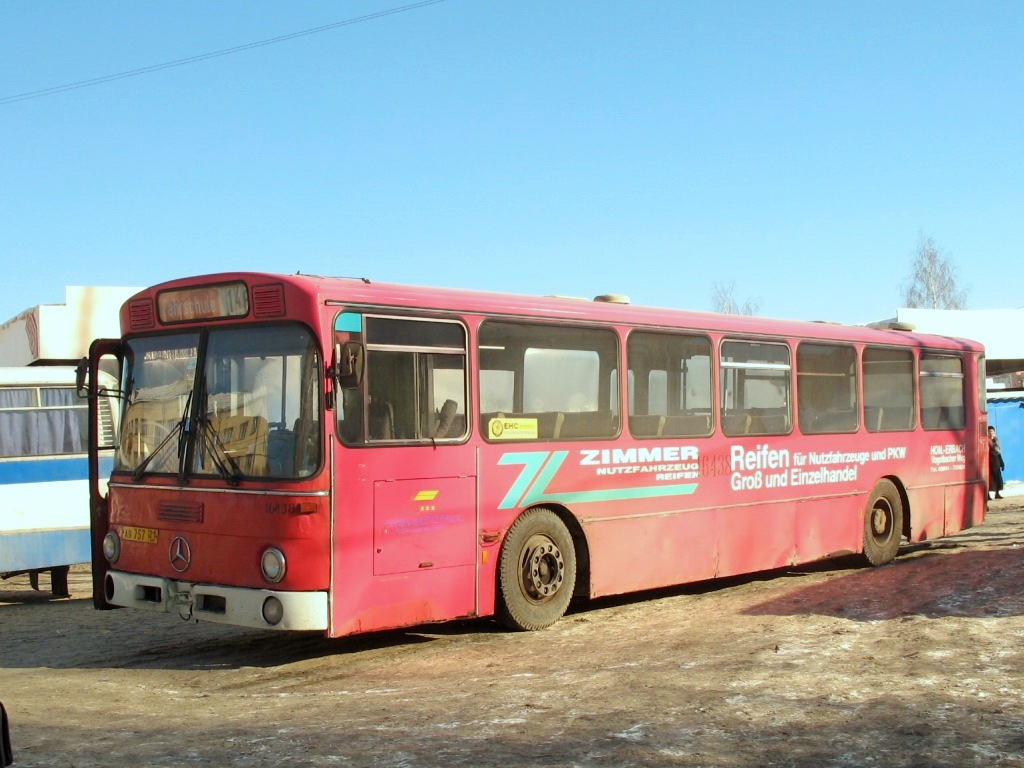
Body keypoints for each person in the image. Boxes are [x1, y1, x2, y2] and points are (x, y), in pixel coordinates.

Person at [989, 425, 1005, 500]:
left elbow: (998, 453)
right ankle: (987, 494)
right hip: (989, 461)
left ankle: (997, 493)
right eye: (990, 432)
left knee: (998, 478)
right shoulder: (986, 441)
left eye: (992, 431)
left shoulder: (996, 440)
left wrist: (1002, 463)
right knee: (990, 478)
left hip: (996, 461)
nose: (991, 433)